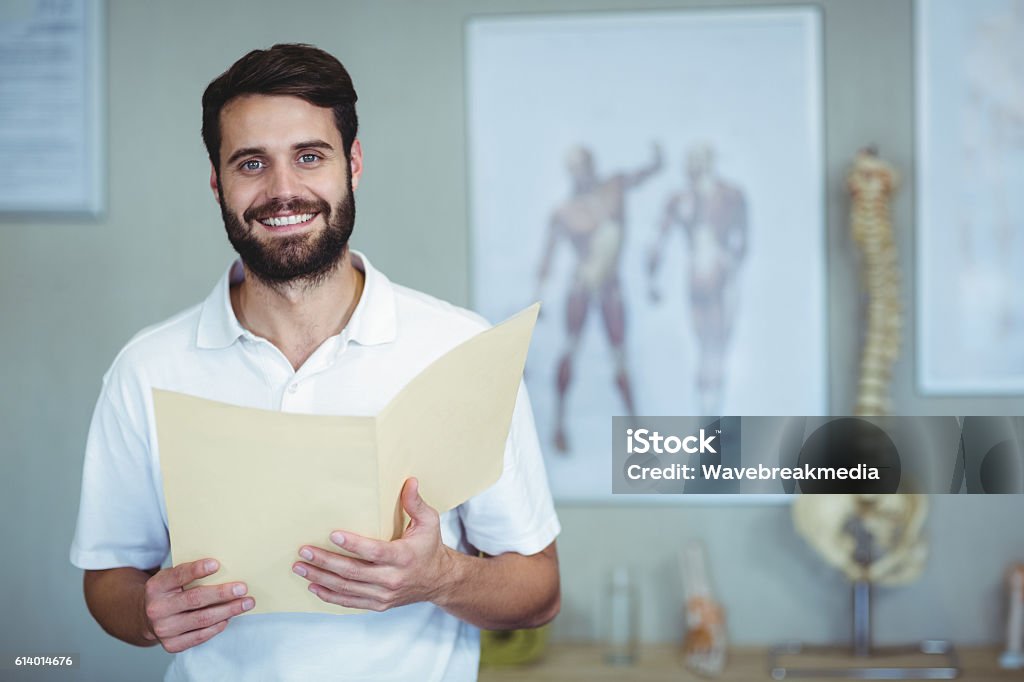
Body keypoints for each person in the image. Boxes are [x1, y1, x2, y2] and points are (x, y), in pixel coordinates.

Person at [70, 44, 561, 681]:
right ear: (217, 182)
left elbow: (540, 591)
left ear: (352, 164)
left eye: (309, 156)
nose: (282, 191)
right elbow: (108, 580)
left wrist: (442, 577)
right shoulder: (146, 369)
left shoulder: (458, 347)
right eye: (251, 163)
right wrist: (144, 612)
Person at [535, 144, 662, 452]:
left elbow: (641, 176)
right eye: (574, 168)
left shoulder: (613, 189)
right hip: (581, 287)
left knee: (620, 357)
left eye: (583, 165)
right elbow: (547, 259)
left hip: (610, 287)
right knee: (570, 350)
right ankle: (559, 425)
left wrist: (657, 162)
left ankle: (637, 433)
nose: (580, 173)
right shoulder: (565, 212)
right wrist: (538, 299)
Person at [647, 143, 748, 414]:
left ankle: (714, 407)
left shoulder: (731, 196)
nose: (693, 169)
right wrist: (652, 278)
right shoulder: (681, 200)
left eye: (698, 162)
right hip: (700, 276)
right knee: (706, 344)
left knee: (718, 345)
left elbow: (742, 240)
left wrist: (730, 264)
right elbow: (659, 238)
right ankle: (707, 409)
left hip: (721, 274)